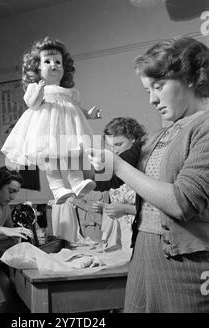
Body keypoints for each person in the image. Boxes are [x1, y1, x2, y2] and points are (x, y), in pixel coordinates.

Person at [87, 36, 209, 312]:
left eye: (158, 86)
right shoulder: (156, 138)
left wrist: (116, 165)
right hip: (144, 252)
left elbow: (182, 203)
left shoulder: (205, 127)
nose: (153, 99)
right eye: (147, 91)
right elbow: (107, 178)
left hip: (187, 265)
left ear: (190, 77)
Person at [1, 36, 101, 205]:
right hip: (46, 130)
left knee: (73, 155)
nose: (53, 65)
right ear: (37, 67)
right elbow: (32, 104)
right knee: (50, 159)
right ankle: (57, 187)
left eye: (58, 62)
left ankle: (77, 183)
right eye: (47, 62)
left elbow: (75, 109)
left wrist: (88, 114)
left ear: (64, 67)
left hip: (68, 129)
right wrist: (39, 91)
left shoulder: (69, 92)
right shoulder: (37, 88)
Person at [75, 117, 146, 251]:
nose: (114, 151)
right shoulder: (113, 168)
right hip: (121, 235)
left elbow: (157, 211)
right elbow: (105, 183)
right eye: (110, 146)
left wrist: (125, 209)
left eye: (119, 144)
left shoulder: (146, 166)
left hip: (143, 233)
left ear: (134, 139)